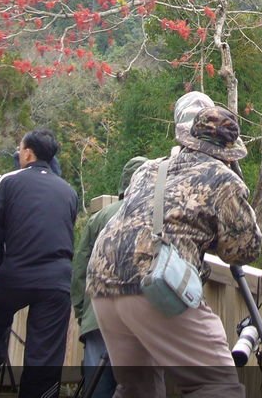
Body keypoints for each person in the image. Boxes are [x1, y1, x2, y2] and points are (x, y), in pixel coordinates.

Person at [86, 93, 262, 397]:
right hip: (154, 283)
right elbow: (243, 251)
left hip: (103, 281)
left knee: (136, 389)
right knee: (216, 384)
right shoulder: (223, 179)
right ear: (230, 152)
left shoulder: (148, 169)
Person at [0, 128, 78, 398]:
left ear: (28, 153)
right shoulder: (68, 191)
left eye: (20, 149)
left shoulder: (8, 182)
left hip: (17, 270)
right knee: (46, 348)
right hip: (57, 277)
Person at [70, 156, 147, 398]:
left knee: (98, 388)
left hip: (98, 316)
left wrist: (82, 313)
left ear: (123, 186)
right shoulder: (156, 217)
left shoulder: (98, 219)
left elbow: (80, 269)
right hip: (142, 320)